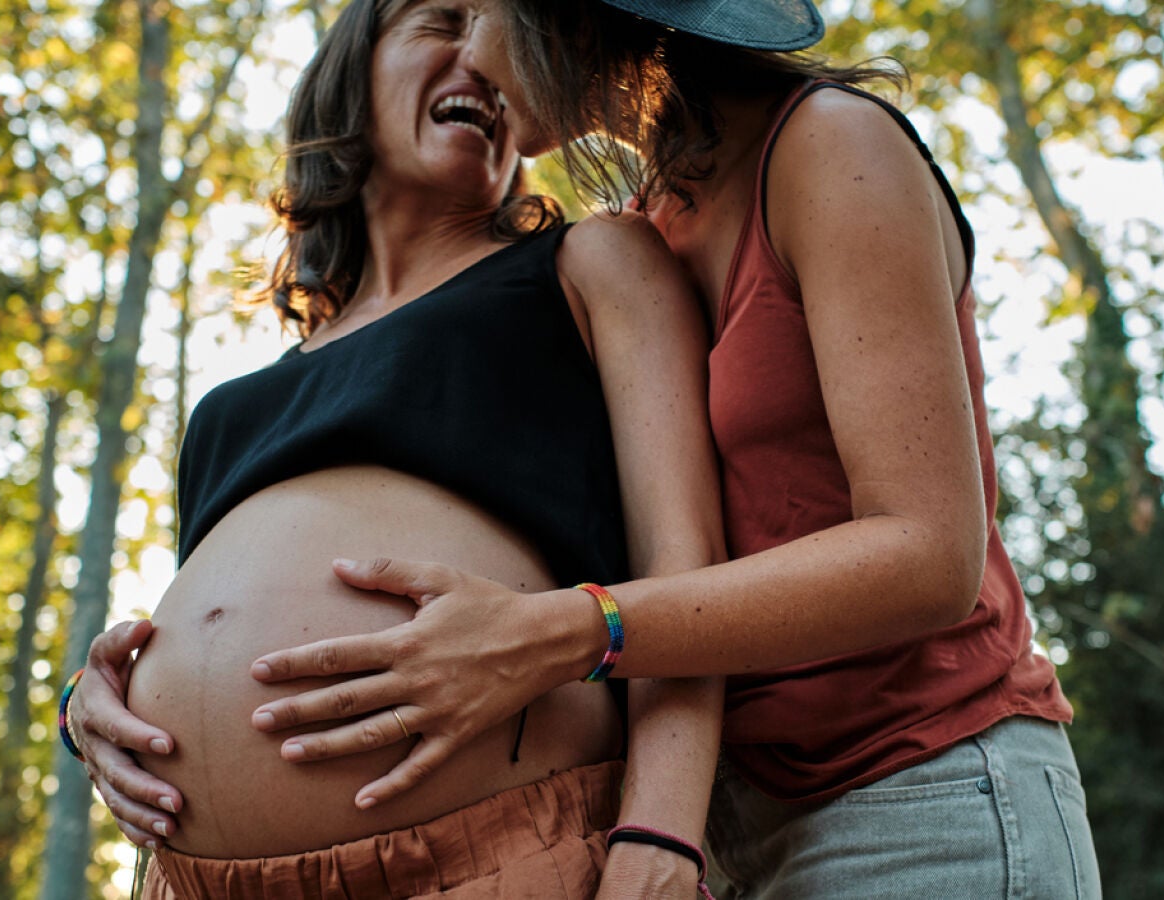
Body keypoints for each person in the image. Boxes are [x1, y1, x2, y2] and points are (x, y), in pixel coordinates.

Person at [238, 0, 1105, 897]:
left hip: (921, 789)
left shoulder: (829, 146)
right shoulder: (650, 223)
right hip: (732, 817)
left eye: (476, 13)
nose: (468, 54)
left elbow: (929, 558)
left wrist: (571, 630)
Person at [58, 0, 727, 896]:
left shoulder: (589, 264)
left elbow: (685, 570)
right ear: (353, 72)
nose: (484, 58)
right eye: (442, 22)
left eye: (510, 41)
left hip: (492, 852)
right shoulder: (229, 408)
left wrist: (662, 837)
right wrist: (89, 707)